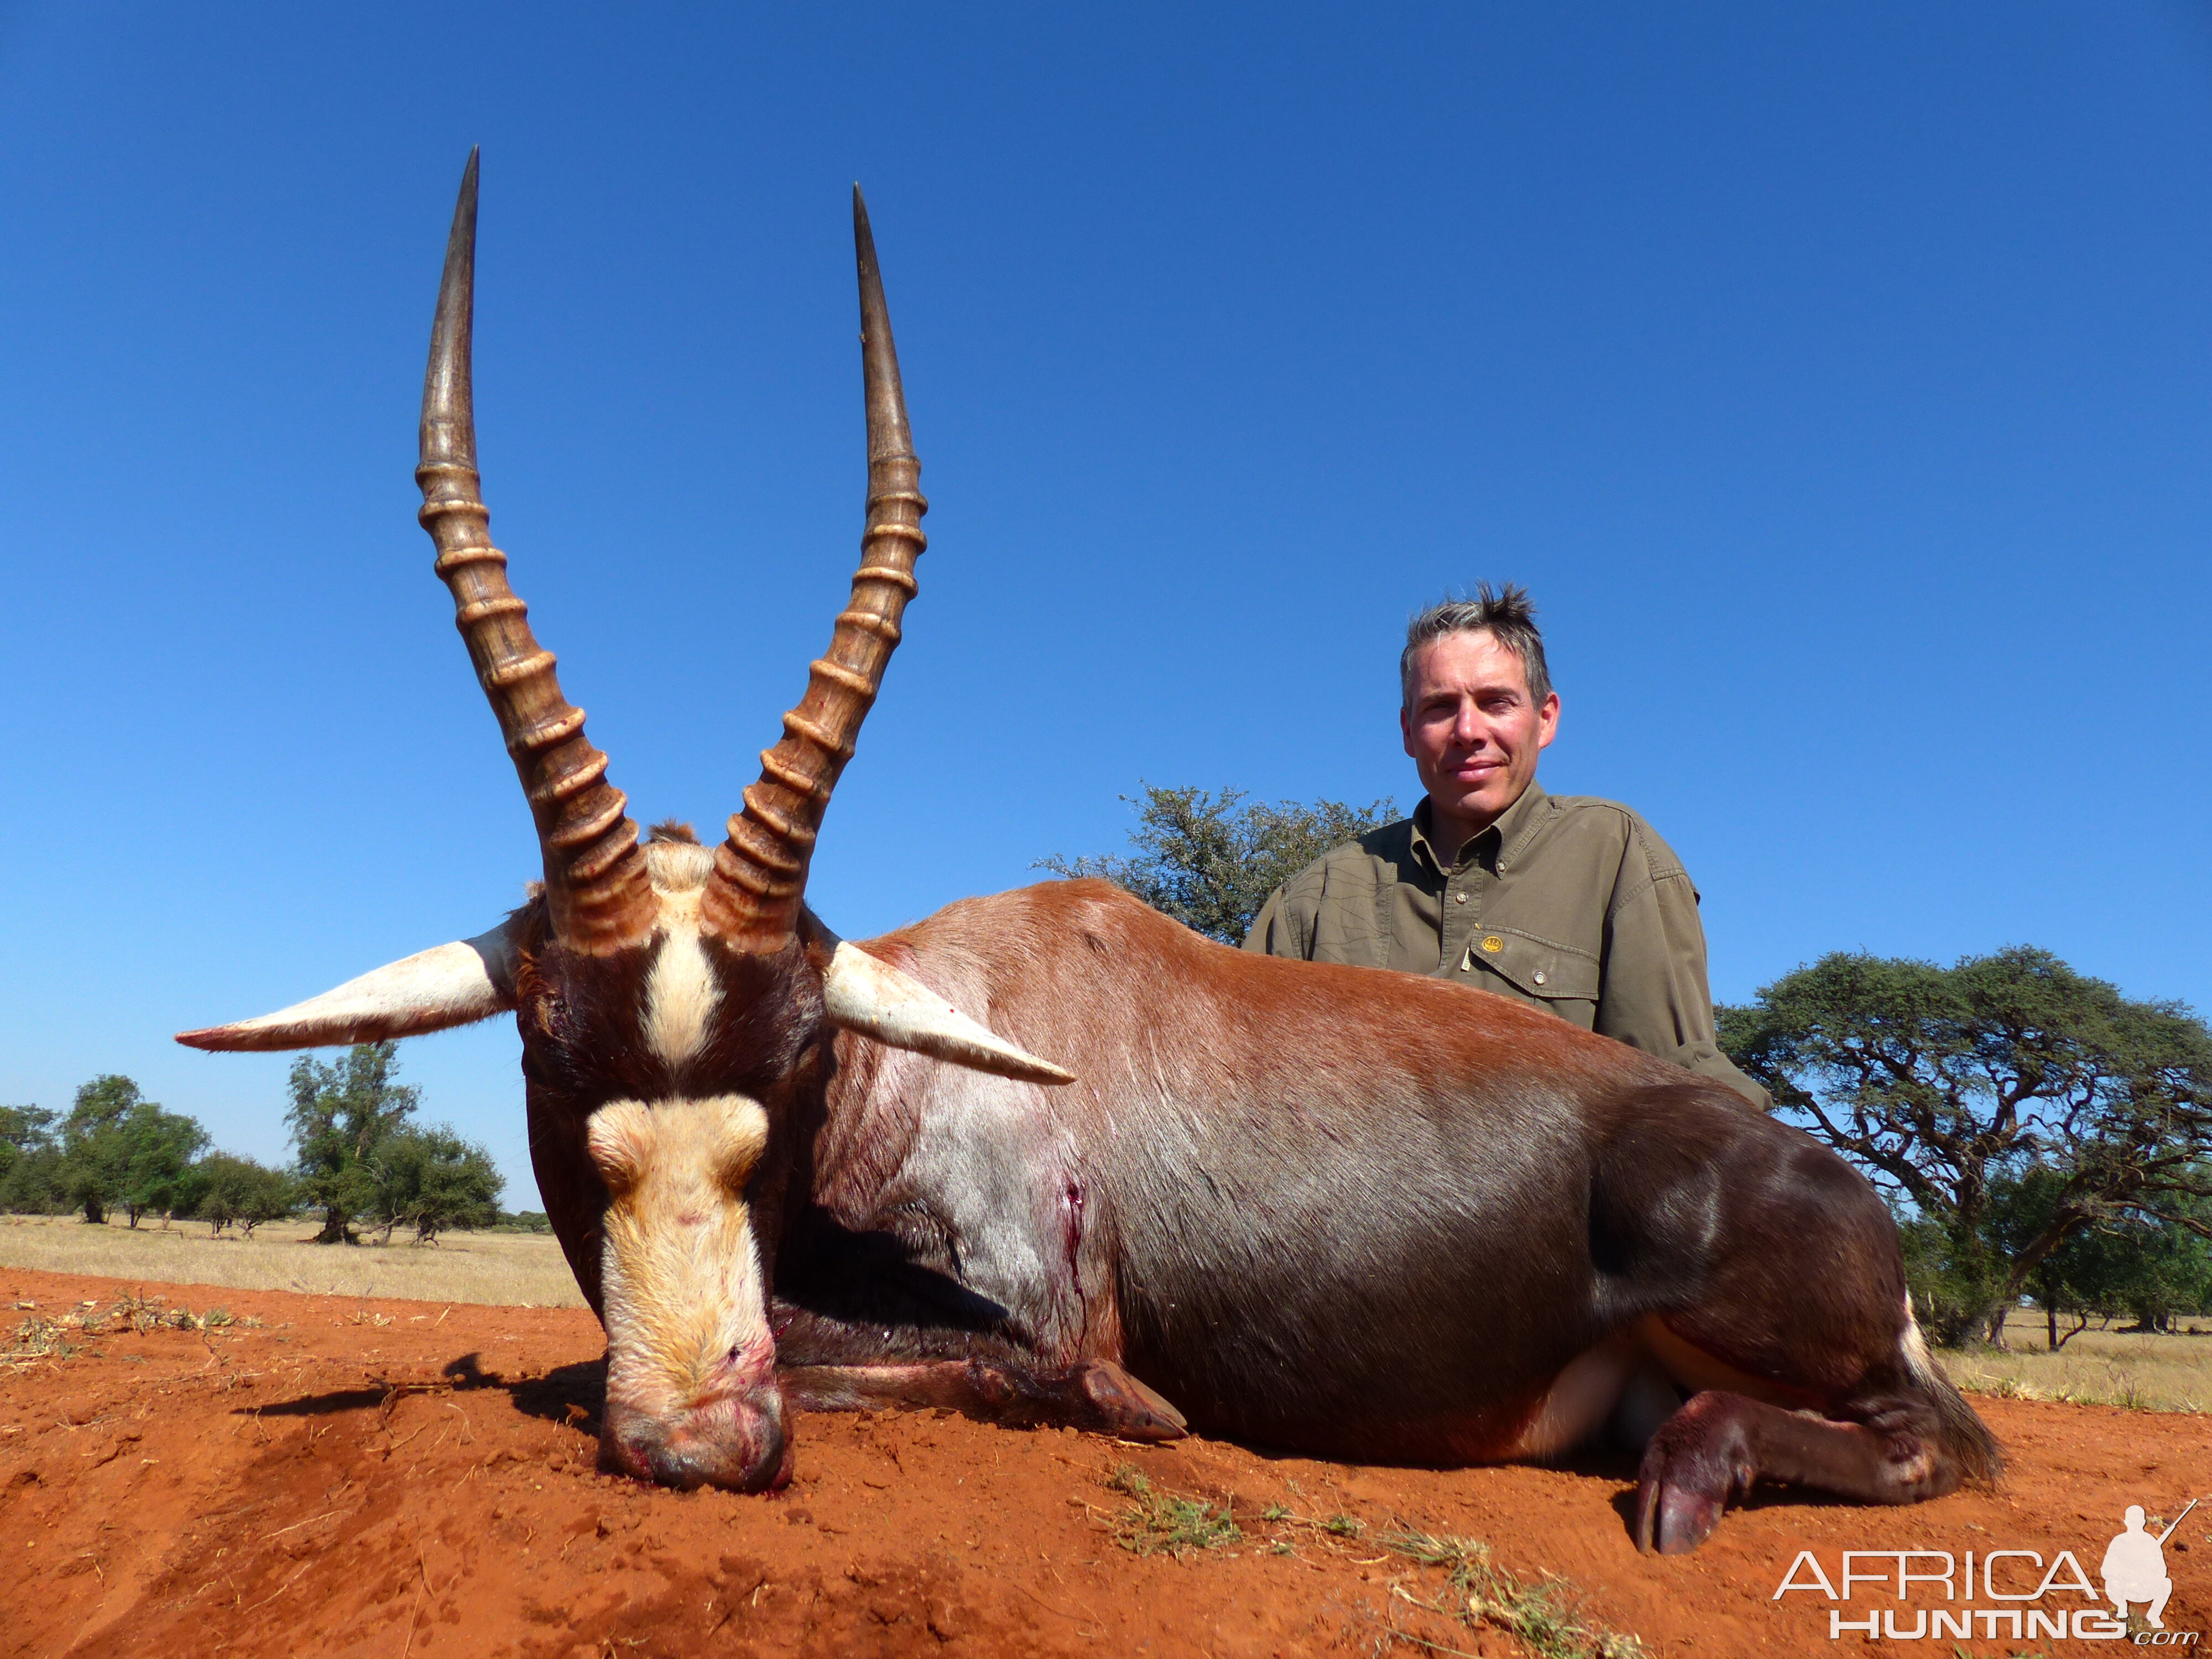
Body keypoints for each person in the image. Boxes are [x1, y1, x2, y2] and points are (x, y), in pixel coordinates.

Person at [1243, 586, 1768, 1110]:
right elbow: (1236, 1093)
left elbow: (1678, 1091)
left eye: (1496, 702)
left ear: (1546, 718)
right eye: (1439, 707)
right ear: (1407, 731)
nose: (1468, 731)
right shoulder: (1315, 897)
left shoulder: (1616, 851)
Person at [2101, 1506, 2173, 1629]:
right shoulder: (2119, 1541)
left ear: (2143, 1523)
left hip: (2144, 1587)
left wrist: (2147, 1571)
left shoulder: (2150, 1542)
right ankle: (2122, 1608)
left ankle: (2154, 1615)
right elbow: (2106, 1569)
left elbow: (2162, 1570)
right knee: (2112, 1582)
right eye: (2133, 1521)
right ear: (2127, 1522)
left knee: (2166, 1583)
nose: (2136, 1525)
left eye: (2138, 1522)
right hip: (2124, 1587)